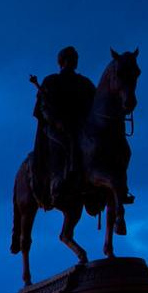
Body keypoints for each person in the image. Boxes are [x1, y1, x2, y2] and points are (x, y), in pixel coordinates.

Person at [31, 46, 95, 208]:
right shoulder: (51, 81)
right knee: (69, 141)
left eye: (75, 58)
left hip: (80, 126)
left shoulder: (85, 83)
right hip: (57, 128)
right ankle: (62, 178)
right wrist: (56, 121)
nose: (73, 61)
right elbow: (43, 107)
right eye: (69, 58)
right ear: (62, 61)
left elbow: (94, 104)